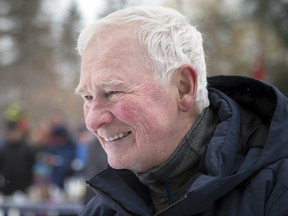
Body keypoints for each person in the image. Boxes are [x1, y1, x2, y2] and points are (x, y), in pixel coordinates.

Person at [75, 6, 288, 216]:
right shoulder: (102, 210)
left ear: (183, 87)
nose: (93, 120)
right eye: (88, 97)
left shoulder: (276, 192)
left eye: (112, 92)